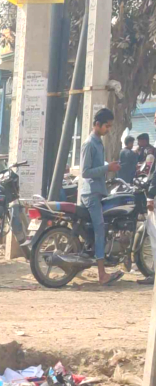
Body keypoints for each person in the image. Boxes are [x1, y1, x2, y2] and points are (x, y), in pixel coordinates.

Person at [80, 106, 123, 285]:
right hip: (91, 194)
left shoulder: (99, 142)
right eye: (107, 126)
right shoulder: (89, 143)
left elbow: (98, 166)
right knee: (100, 230)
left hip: (98, 191)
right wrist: (107, 168)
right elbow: (85, 172)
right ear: (97, 124)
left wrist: (109, 168)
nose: (109, 129)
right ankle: (102, 274)